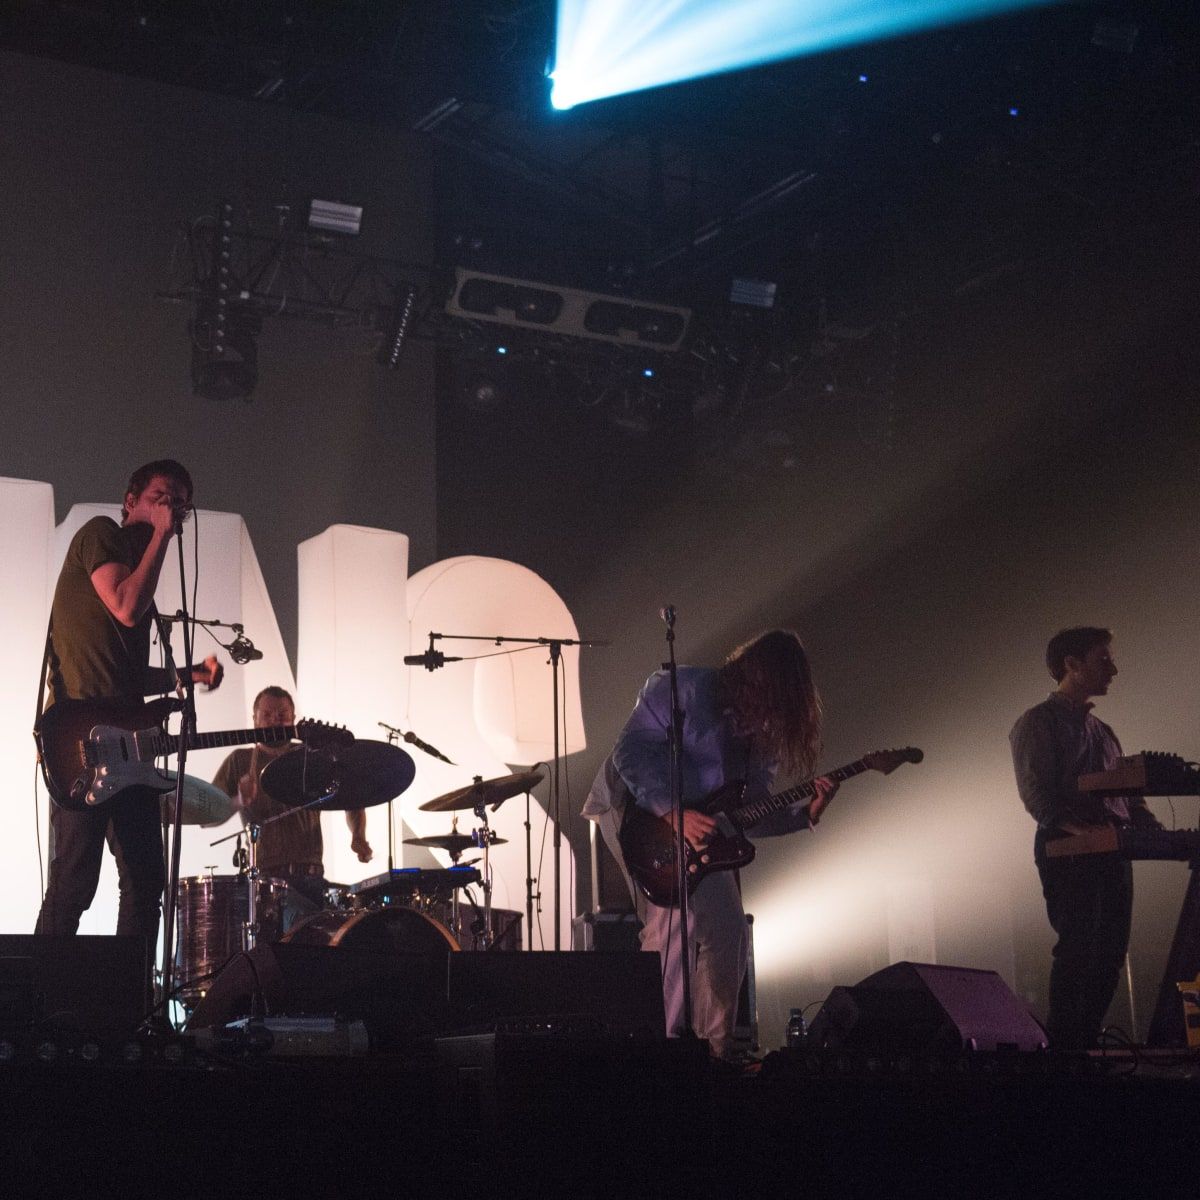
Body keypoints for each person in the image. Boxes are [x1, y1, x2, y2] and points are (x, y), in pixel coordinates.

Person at [584, 629, 838, 1059]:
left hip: (695, 823)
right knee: (672, 922)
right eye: (763, 695)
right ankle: (660, 1052)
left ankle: (716, 1055)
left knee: (728, 930)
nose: (763, 714)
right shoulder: (682, 688)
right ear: (749, 677)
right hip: (632, 805)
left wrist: (804, 816)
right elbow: (629, 751)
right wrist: (669, 809)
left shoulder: (764, 735)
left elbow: (748, 815)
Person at [35, 459, 224, 940]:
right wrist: (160, 536)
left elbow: (129, 676)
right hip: (81, 743)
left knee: (145, 883)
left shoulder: (146, 580)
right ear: (130, 501)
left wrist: (190, 675)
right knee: (75, 884)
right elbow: (123, 606)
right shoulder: (101, 534)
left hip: (129, 749)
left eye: (179, 504)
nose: (172, 507)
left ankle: (127, 1005)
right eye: (162, 496)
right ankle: (36, 1003)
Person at [1009, 626, 1160, 1050]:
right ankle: (1064, 1052)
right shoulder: (1036, 723)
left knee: (1111, 954)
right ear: (1071, 666)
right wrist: (1082, 830)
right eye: (1103, 660)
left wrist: (1153, 830)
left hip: (1111, 851)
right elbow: (1035, 794)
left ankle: (1084, 1044)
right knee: (1078, 950)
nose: (1113, 669)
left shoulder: (1105, 732)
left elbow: (1127, 798)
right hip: (1069, 851)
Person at [211, 685, 372, 906]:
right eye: (266, 715)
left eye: (282, 715)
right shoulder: (239, 760)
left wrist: (358, 837)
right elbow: (209, 815)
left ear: (293, 718)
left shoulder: (311, 755)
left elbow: (351, 799)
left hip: (311, 875)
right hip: (264, 881)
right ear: (254, 719)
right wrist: (240, 800)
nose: (274, 721)